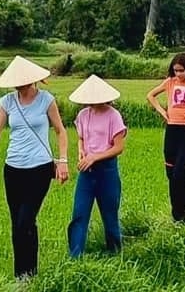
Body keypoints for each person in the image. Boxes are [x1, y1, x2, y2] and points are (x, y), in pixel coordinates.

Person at [0, 56, 70, 280]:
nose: (19, 85)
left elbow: (60, 131)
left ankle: (30, 273)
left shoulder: (46, 100)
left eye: (22, 81)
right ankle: (22, 276)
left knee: (26, 219)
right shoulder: (7, 101)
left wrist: (63, 161)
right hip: (13, 169)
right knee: (18, 224)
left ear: (32, 80)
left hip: (40, 169)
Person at [66, 74, 126, 258]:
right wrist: (82, 152)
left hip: (106, 170)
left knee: (110, 216)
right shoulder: (83, 115)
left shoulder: (113, 116)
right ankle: (75, 257)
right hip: (87, 172)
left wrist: (95, 157)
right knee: (79, 214)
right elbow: (81, 139)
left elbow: (119, 147)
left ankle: (115, 254)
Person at [147, 52, 185, 223]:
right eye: (175, 71)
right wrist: (162, 112)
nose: (178, 74)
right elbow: (150, 95)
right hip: (171, 132)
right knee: (170, 174)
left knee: (179, 174)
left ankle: (184, 209)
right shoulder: (170, 82)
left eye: (181, 71)